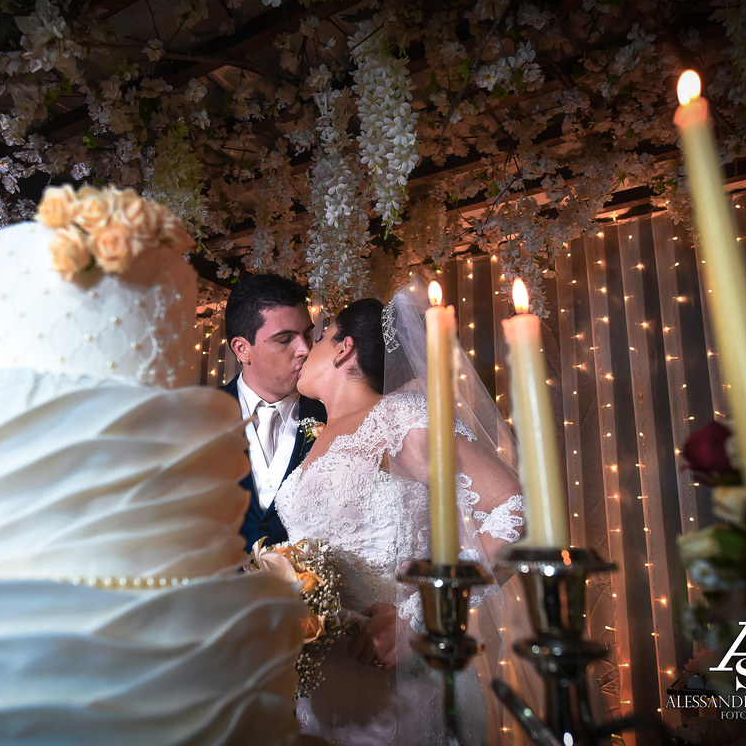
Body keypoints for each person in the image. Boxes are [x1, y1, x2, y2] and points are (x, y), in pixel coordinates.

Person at [275, 280, 542, 746]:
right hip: (320, 681)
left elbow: (515, 512)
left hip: (397, 677)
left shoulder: (400, 415)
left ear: (344, 349)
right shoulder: (318, 436)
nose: (304, 350)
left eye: (319, 337)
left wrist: (417, 617)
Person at [220, 274, 327, 551]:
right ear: (243, 349)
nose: (304, 349)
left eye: (307, 334)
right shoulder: (195, 415)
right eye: (284, 339)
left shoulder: (333, 415)